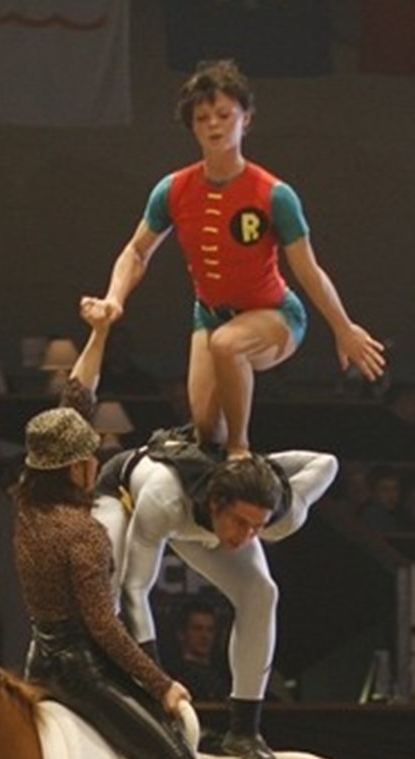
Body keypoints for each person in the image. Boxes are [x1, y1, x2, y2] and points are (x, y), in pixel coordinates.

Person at [84, 58, 386, 459]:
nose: (214, 124)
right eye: (202, 117)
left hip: (275, 316)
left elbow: (308, 269)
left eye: (224, 114)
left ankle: (240, 452)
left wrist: (342, 327)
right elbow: (136, 251)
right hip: (209, 315)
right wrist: (114, 298)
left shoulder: (274, 195)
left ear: (246, 119)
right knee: (206, 427)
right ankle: (220, 458)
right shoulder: (173, 189)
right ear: (192, 126)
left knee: (227, 345)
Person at [12, 406, 201, 759]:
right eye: (89, 458)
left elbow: (69, 402)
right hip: (81, 670)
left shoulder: (24, 507)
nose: (97, 464)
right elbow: (104, 626)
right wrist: (161, 683)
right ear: (76, 469)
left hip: (38, 659)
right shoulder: (83, 533)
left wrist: (92, 357)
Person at [94, 436, 338, 759]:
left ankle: (244, 732)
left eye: (257, 526)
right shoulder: (165, 500)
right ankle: (120, 703)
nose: (247, 536)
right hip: (127, 494)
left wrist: (255, 466)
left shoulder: (281, 512)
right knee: (110, 592)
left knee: (262, 593)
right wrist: (158, 686)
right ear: (216, 503)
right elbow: (134, 589)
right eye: (241, 523)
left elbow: (327, 462)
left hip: (198, 520)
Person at [161, 597, 230, 702]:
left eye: (210, 630)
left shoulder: (223, 676)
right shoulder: (173, 676)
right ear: (181, 634)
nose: (205, 636)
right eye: (197, 629)